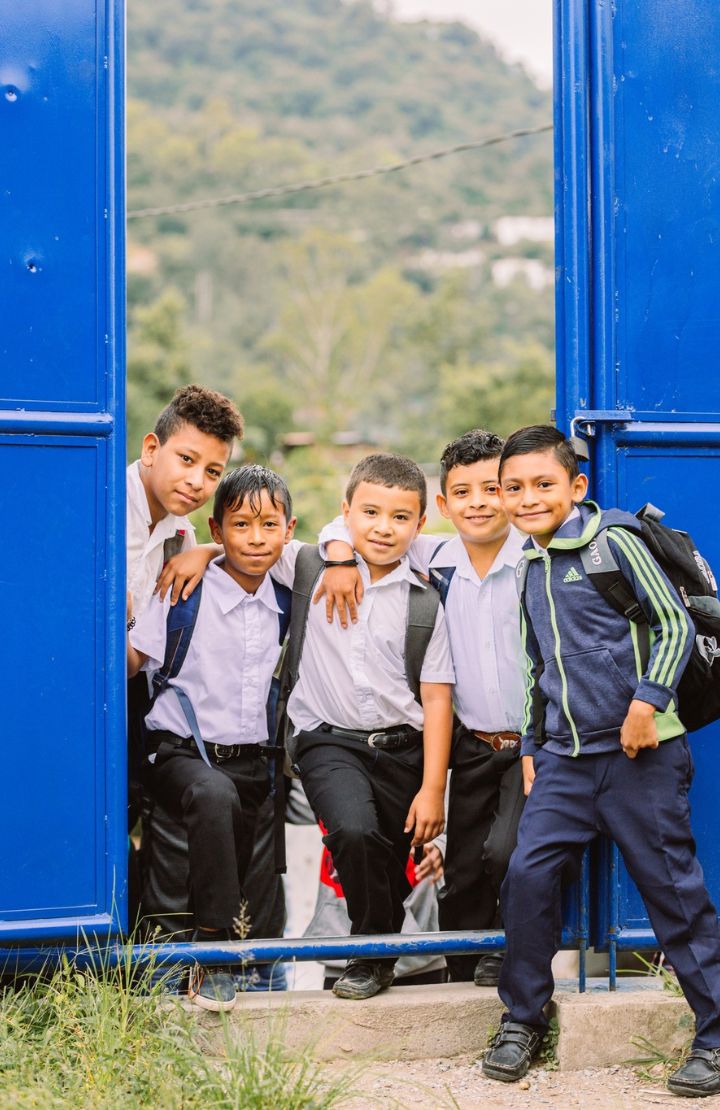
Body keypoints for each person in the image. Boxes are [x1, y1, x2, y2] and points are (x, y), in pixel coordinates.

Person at [482, 424, 720, 1099]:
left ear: (576, 485)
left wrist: (647, 703)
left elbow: (674, 623)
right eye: (514, 488)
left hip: (641, 754)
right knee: (527, 878)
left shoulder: (612, 541)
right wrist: (533, 745)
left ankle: (715, 1036)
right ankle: (522, 1019)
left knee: (673, 891)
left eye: (543, 484)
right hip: (564, 759)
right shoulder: (528, 566)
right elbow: (535, 666)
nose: (528, 498)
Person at [320, 429, 526, 986]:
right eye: (462, 492)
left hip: (530, 740)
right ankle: (461, 978)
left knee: (507, 853)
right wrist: (337, 556)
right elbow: (349, 522)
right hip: (471, 743)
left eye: (492, 489)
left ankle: (511, 958)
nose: (478, 503)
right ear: (442, 505)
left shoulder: (536, 557)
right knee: (462, 875)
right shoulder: (432, 555)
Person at [284, 453, 455, 1000]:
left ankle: (376, 953)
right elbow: (250, 547)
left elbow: (436, 698)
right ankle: (373, 953)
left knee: (387, 857)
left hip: (403, 748)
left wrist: (433, 789)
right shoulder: (310, 568)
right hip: (327, 739)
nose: (384, 527)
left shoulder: (425, 601)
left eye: (400, 517)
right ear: (346, 512)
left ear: (420, 524)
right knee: (353, 831)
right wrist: (201, 552)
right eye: (370, 513)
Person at [128, 465, 298, 1012]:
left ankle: (264, 973)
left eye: (269, 525)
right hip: (177, 753)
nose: (256, 538)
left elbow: (344, 545)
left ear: (289, 530)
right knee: (212, 793)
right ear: (216, 529)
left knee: (255, 859)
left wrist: (206, 550)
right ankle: (214, 948)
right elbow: (132, 662)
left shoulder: (290, 596)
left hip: (255, 762)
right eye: (240, 525)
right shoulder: (182, 590)